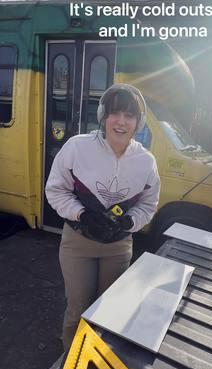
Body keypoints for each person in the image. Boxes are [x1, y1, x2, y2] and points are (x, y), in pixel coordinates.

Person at [45, 83, 160, 349]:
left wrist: (131, 221)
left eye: (129, 115)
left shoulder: (146, 162)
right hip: (77, 244)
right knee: (78, 309)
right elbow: (55, 191)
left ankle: (96, 366)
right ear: (102, 116)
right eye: (114, 113)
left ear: (138, 122)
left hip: (118, 247)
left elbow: (148, 204)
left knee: (108, 311)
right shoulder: (77, 147)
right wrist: (82, 214)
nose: (121, 122)